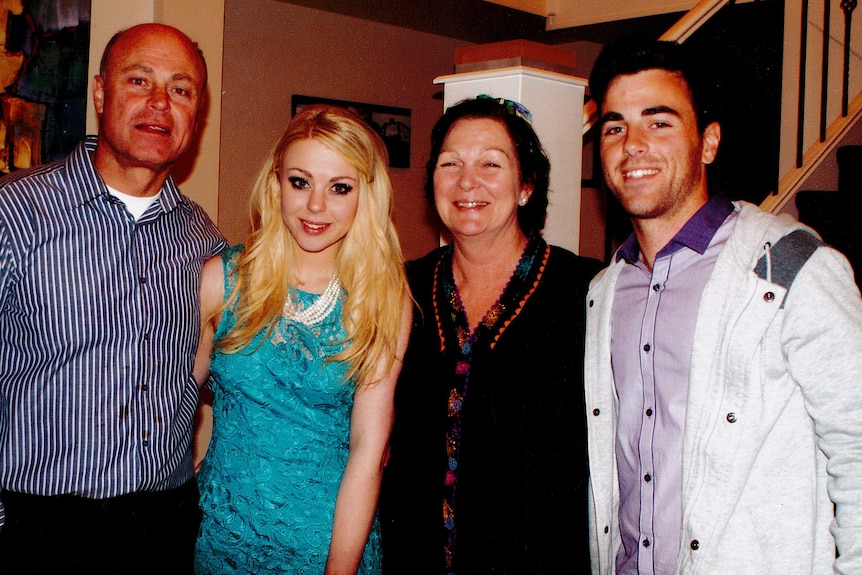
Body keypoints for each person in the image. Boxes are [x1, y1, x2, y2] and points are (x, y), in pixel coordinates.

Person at [585, 38, 862, 574]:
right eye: (615, 126)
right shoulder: (604, 292)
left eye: (659, 122)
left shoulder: (791, 268)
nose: (632, 144)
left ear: (708, 143)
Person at [0, 23, 226, 574]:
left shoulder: (205, 242)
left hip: (163, 525)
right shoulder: (15, 213)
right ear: (100, 93)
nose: (159, 103)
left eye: (180, 89)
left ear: (196, 113)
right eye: (139, 80)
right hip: (35, 527)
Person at [379, 96, 603, 573]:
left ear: (526, 186)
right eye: (450, 163)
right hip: (411, 559)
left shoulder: (588, 291)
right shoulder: (399, 287)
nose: (467, 181)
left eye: (490, 164)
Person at [192, 104, 411, 574]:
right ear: (276, 183)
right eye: (300, 181)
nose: (316, 206)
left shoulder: (382, 300)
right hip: (214, 539)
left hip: (325, 546)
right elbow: (171, 407)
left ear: (364, 195)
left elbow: (368, 453)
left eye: (339, 188)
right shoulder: (222, 278)